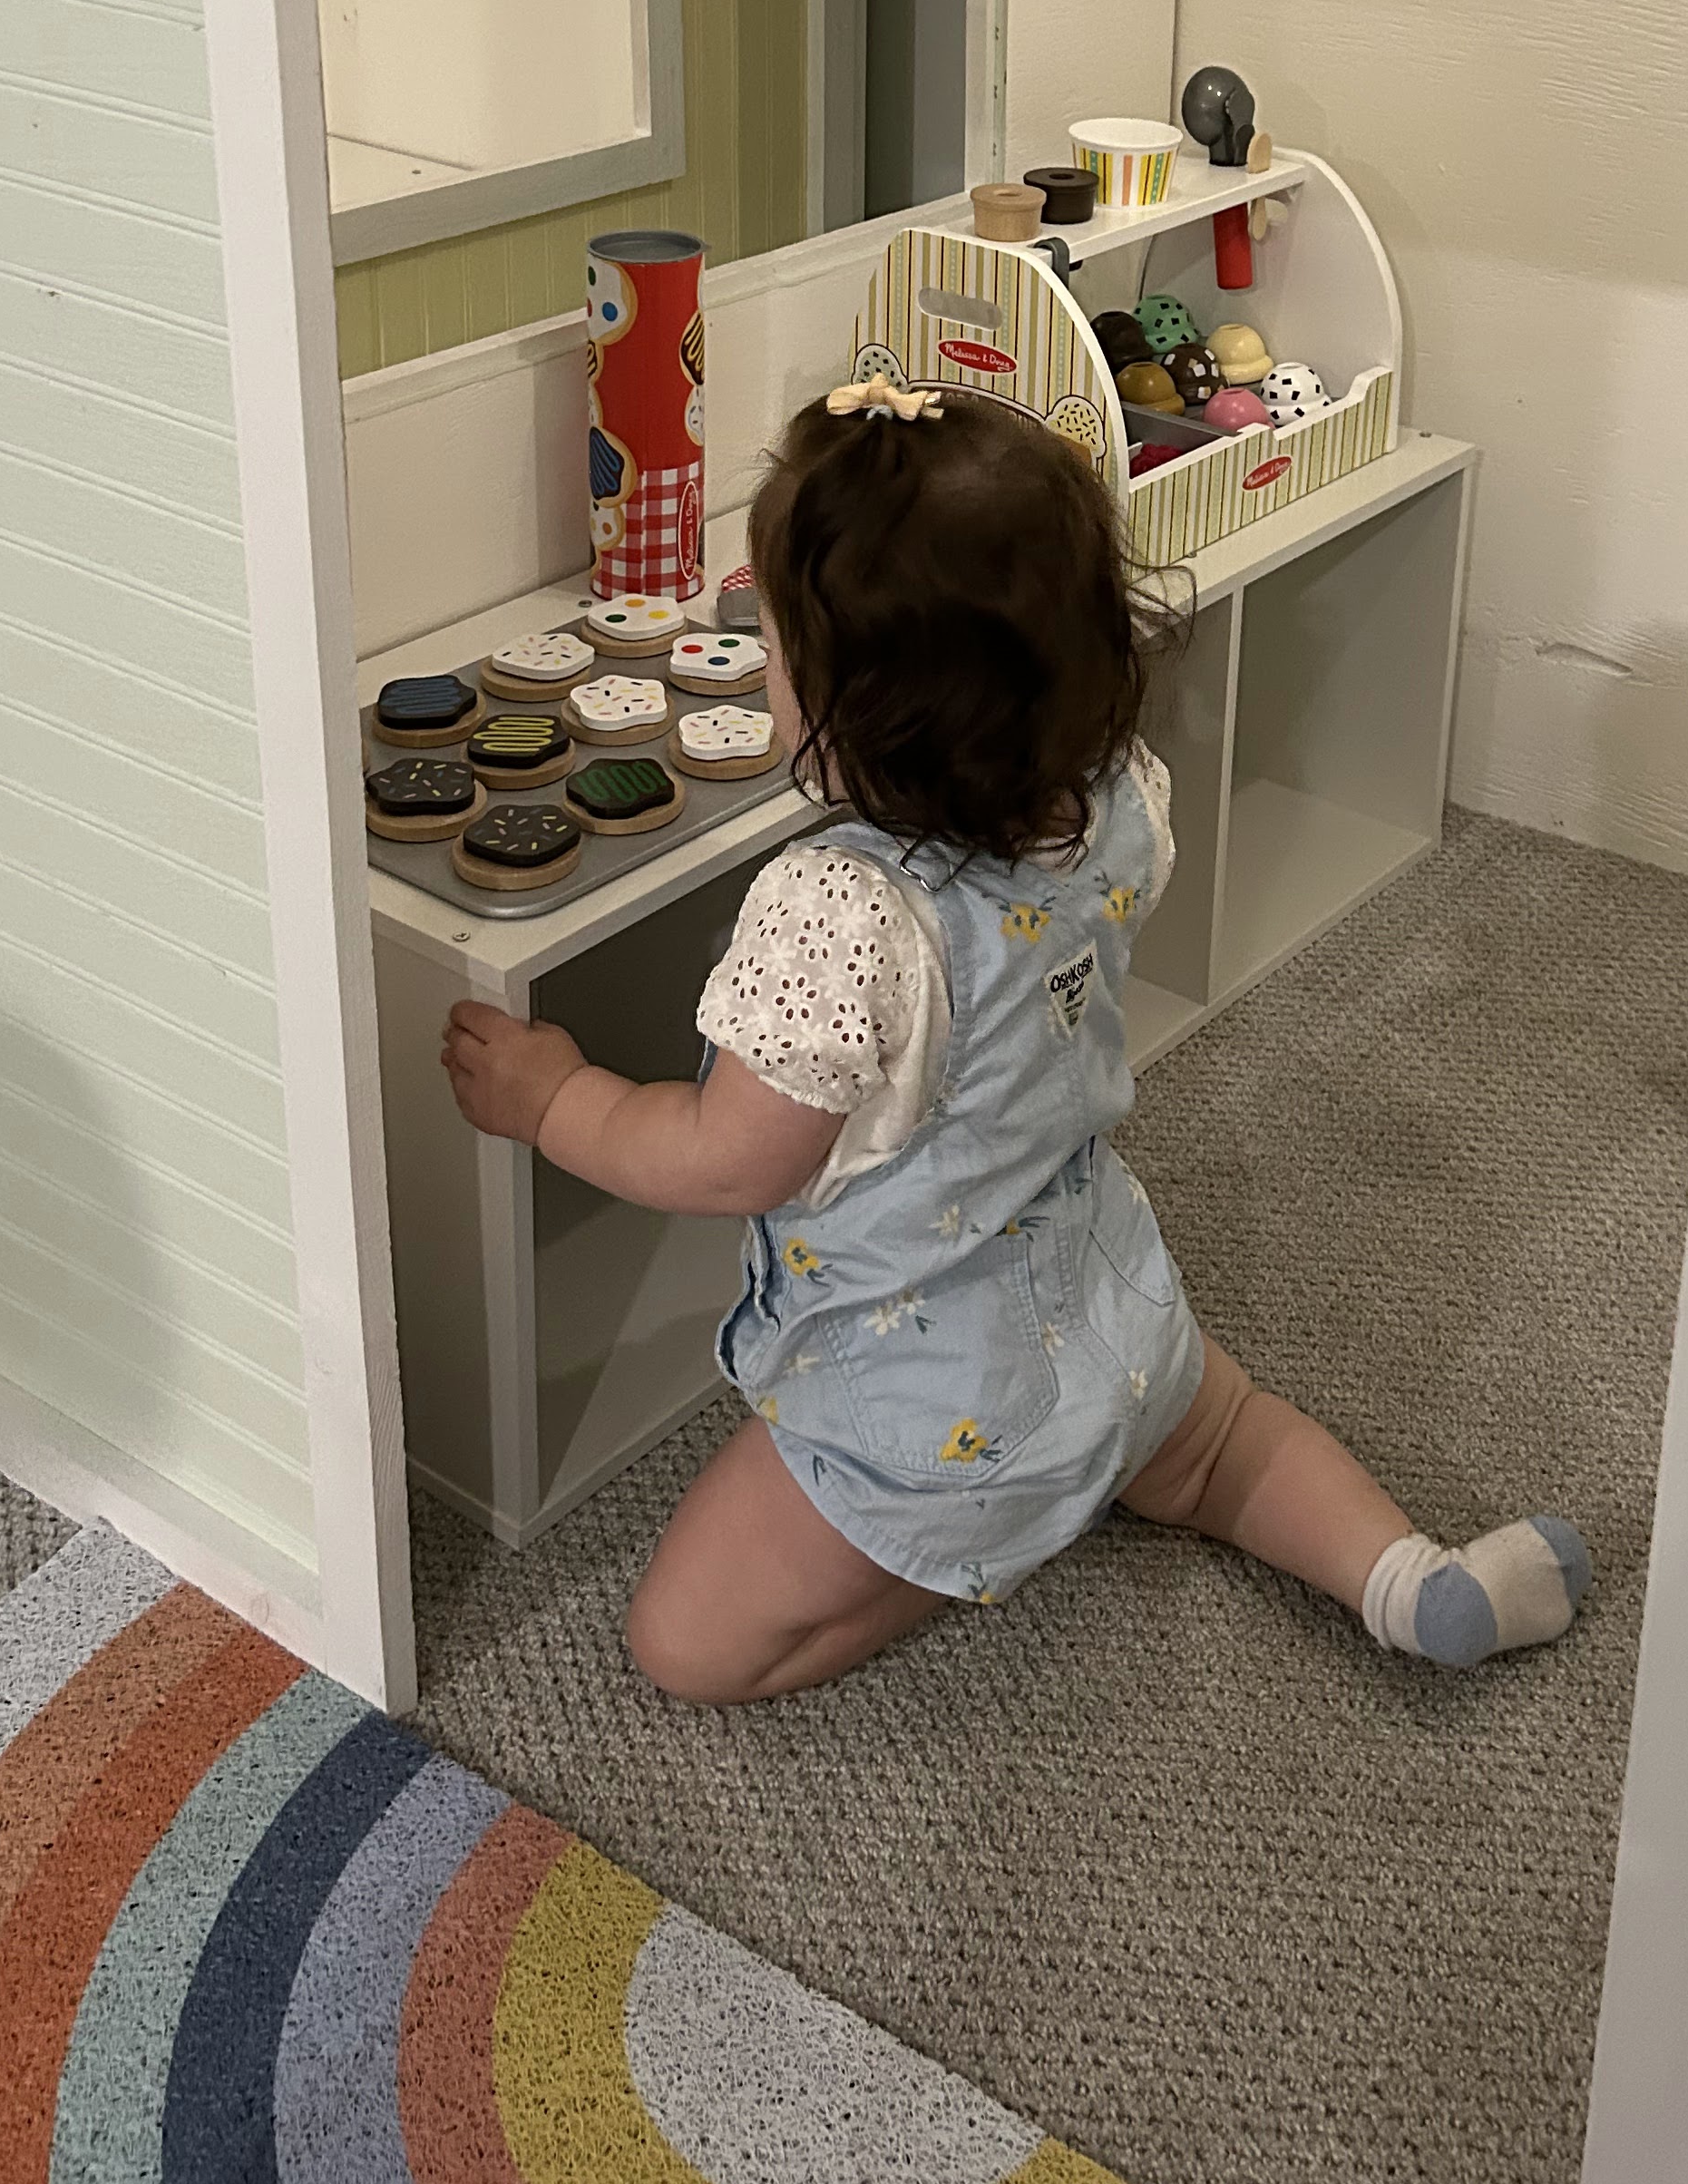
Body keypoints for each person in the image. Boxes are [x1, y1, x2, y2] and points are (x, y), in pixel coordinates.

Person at [444, 375, 1588, 1706]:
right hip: (1115, 1307)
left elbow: (723, 1161)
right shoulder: (1114, 804)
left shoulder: (838, 916)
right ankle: (1410, 1579)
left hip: (924, 1396)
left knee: (684, 1648)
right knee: (1227, 1447)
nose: (757, 654)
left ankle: (976, 1539)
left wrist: (558, 1097)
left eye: (774, 642)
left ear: (859, 712)